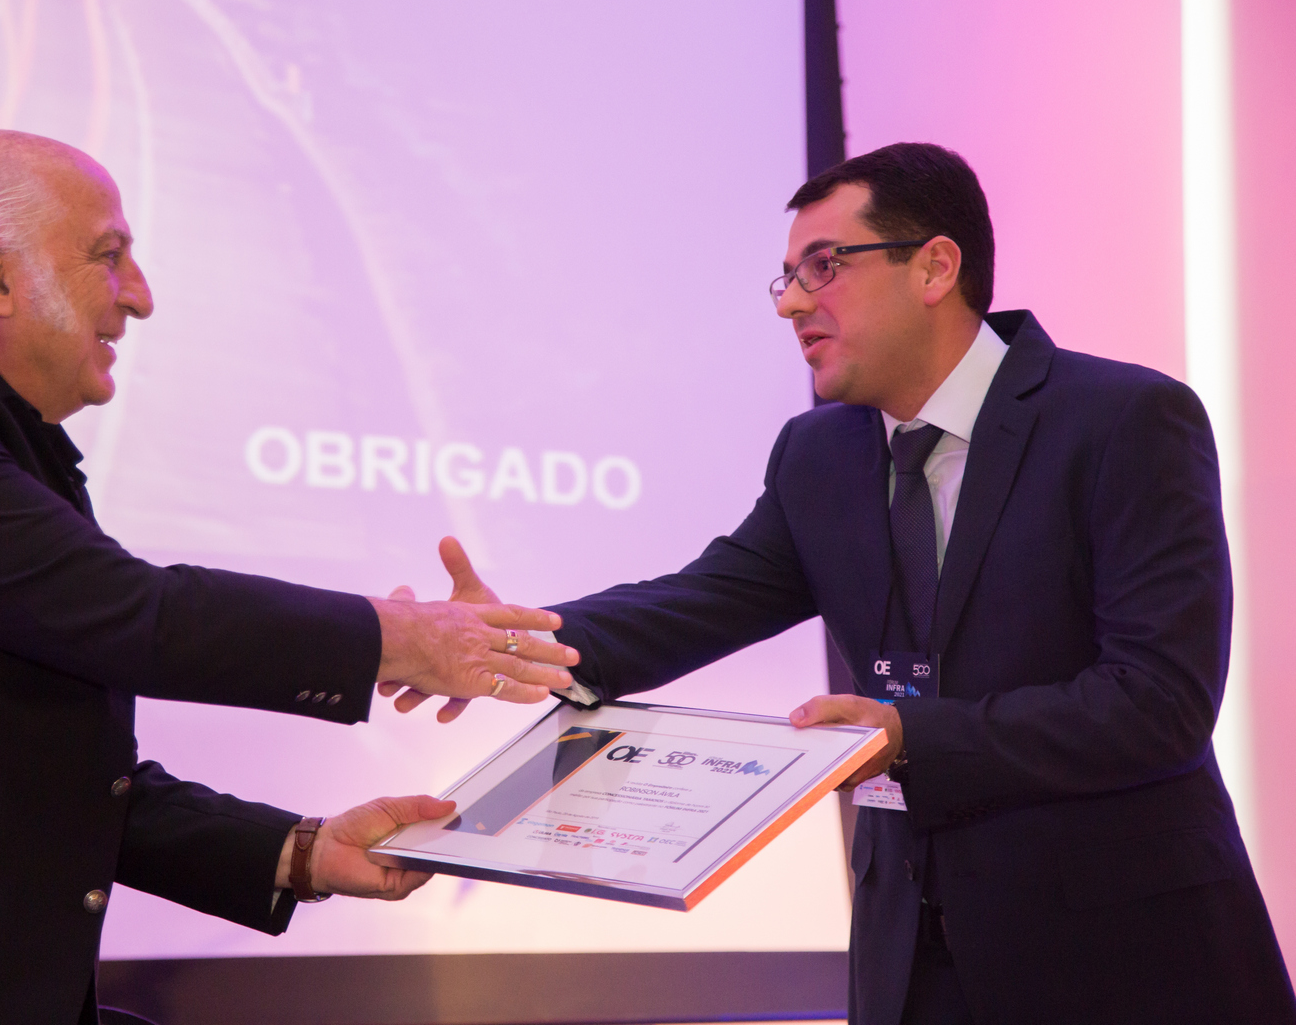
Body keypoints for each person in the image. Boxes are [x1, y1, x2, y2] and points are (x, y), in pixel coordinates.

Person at [0, 130, 578, 1025]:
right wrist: (403, 639)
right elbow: (137, 616)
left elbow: (44, 775)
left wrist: (302, 852)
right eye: (108, 257)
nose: (140, 297)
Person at [404, 144, 1296, 1024]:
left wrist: (908, 738)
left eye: (824, 267)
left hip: (1121, 958)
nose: (792, 302)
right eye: (786, 279)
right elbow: (699, 601)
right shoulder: (818, 454)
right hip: (908, 961)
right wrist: (508, 638)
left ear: (935, 267)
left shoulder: (1123, 420)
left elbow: (1158, 702)